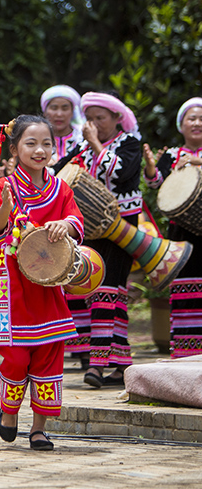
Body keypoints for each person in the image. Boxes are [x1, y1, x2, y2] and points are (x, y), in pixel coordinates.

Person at [0, 115, 84, 451]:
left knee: (49, 350)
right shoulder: (5, 186)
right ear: (14, 149)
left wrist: (65, 225)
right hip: (11, 282)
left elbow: (75, 219)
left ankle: (39, 427)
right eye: (31, 143)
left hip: (48, 281)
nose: (39, 150)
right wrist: (7, 209)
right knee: (15, 353)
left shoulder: (61, 189)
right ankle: (10, 411)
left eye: (46, 144)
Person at [54, 91, 142, 388]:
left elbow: (121, 171)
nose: (93, 124)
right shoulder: (83, 148)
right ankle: (121, 364)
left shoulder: (129, 144)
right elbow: (57, 174)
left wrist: (93, 144)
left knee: (106, 289)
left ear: (117, 118)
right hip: (91, 229)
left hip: (120, 228)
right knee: (110, 292)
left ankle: (97, 363)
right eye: (89, 118)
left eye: (100, 118)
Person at [143, 97, 202, 358]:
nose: (197, 123)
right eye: (191, 118)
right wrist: (152, 169)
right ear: (181, 125)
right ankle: (186, 353)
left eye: (201, 118)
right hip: (181, 235)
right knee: (184, 289)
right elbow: (157, 184)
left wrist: (197, 164)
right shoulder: (171, 155)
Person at [40, 84, 89, 369]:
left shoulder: (82, 141)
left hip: (72, 216)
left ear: (74, 111)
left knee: (76, 275)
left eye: (64, 107)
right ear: (44, 110)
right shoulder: (36, 140)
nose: (58, 113)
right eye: (53, 107)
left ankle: (84, 347)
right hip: (44, 221)